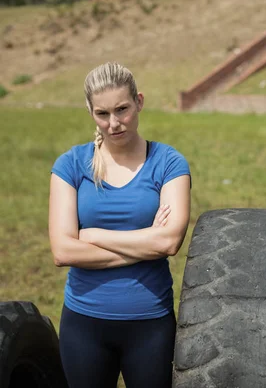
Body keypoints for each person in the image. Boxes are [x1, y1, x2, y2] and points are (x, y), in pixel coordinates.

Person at [48, 62, 191, 388]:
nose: (114, 123)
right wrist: (145, 245)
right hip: (83, 325)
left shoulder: (169, 163)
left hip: (150, 324)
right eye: (102, 113)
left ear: (139, 101)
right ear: (91, 112)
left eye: (122, 109)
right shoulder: (70, 164)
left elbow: (168, 243)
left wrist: (94, 235)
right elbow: (62, 250)